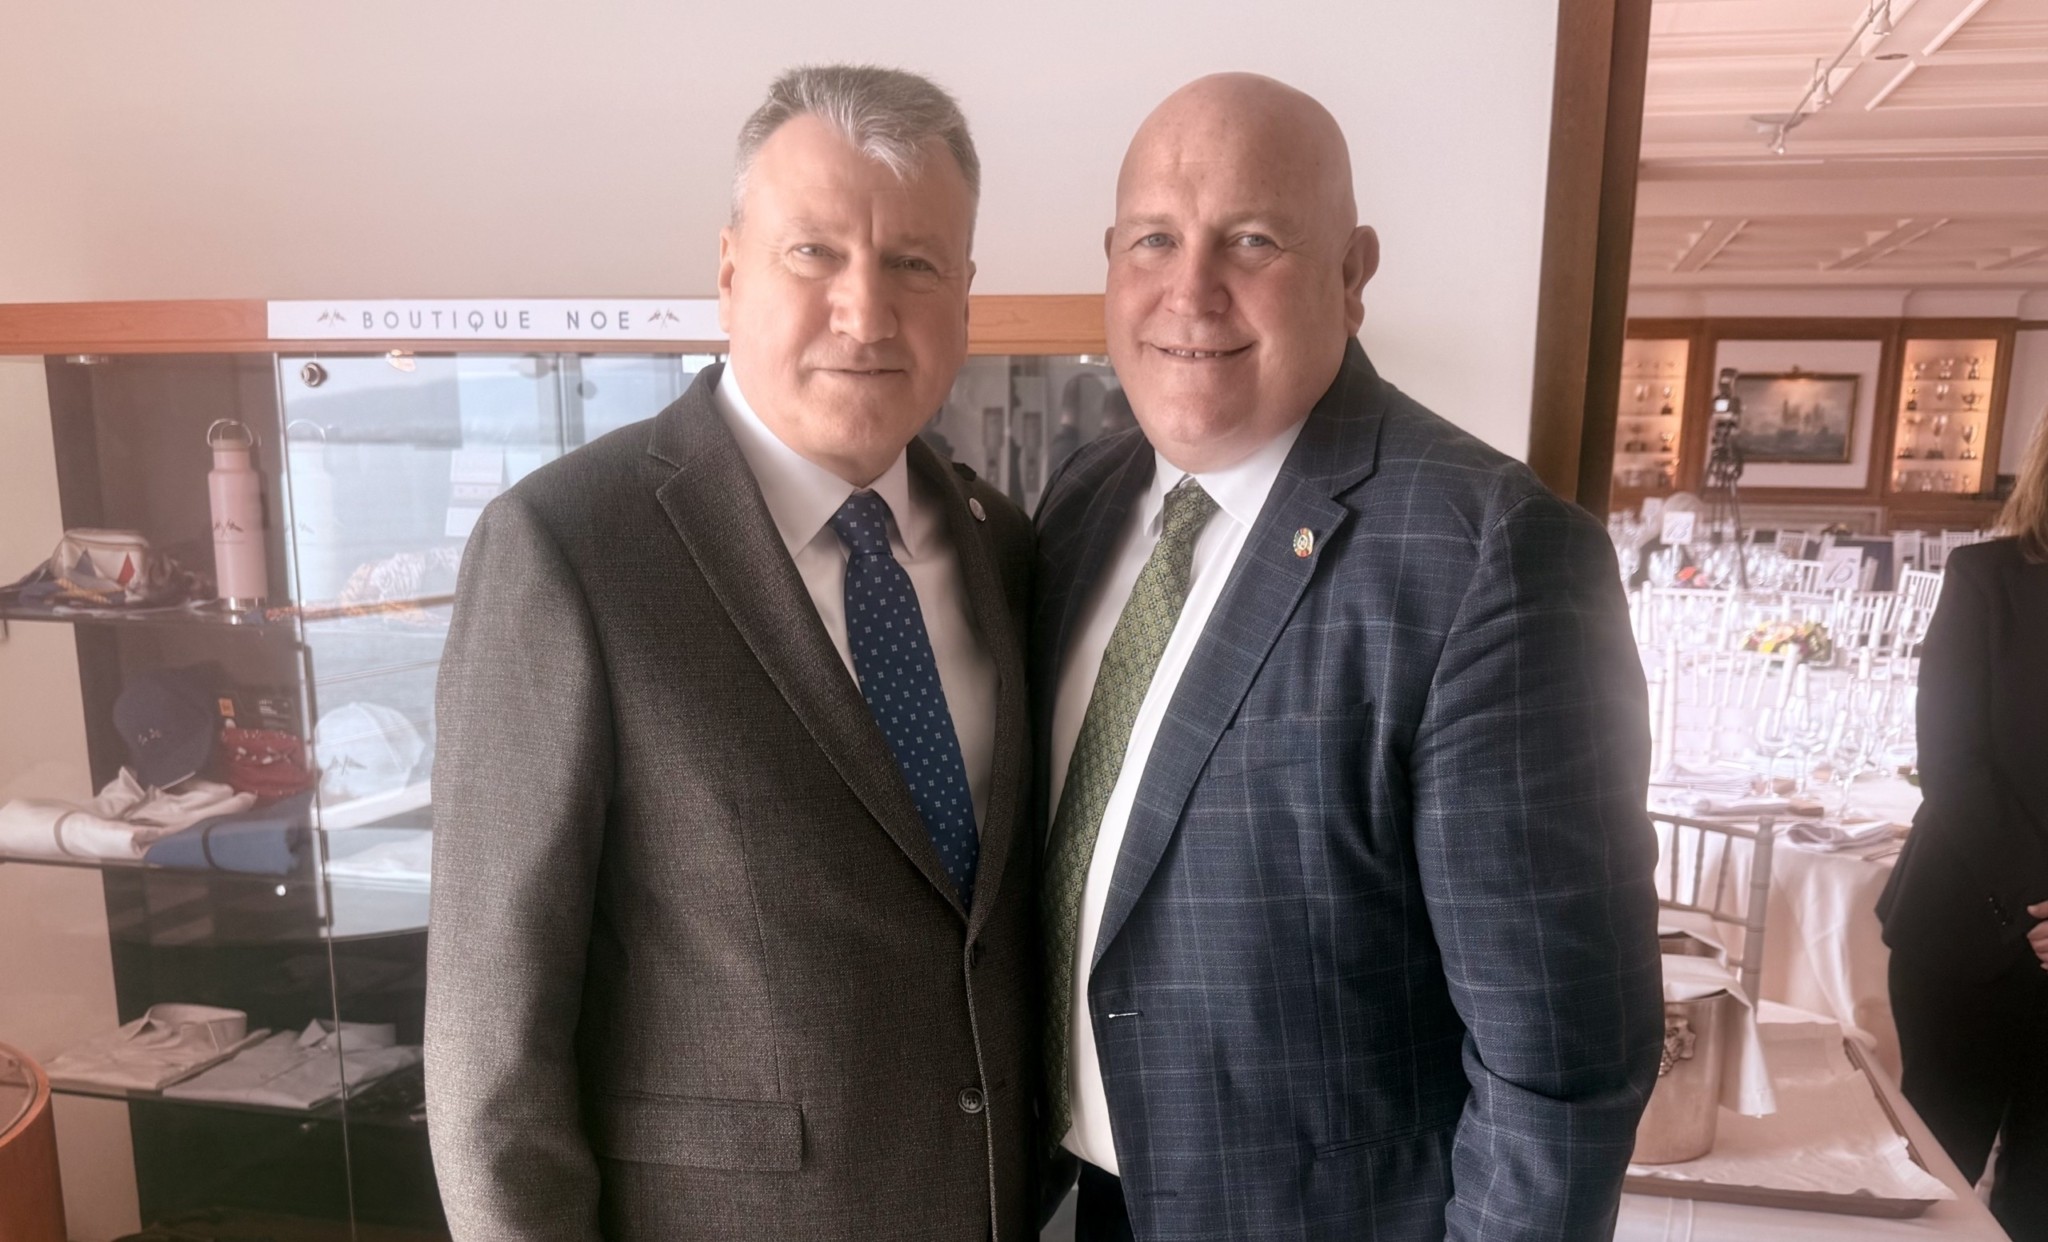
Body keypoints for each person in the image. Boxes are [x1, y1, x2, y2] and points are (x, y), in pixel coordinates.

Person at [1033, 73, 1663, 1240]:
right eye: (1152, 239)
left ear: (1351, 272)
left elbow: (1560, 1073)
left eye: (1251, 240)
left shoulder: (1489, 555)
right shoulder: (1085, 500)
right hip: (1096, 1205)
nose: (1188, 291)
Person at [425, 66, 1040, 1241]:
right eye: (814, 253)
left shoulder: (999, 543)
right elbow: (490, 1047)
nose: (866, 312)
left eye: (914, 263)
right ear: (727, 271)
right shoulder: (570, 547)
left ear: (965, 293)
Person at [1879, 410, 2048, 1241]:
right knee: (1931, 1190)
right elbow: (1950, 759)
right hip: (1965, 934)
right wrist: (2041, 900)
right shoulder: (1988, 577)